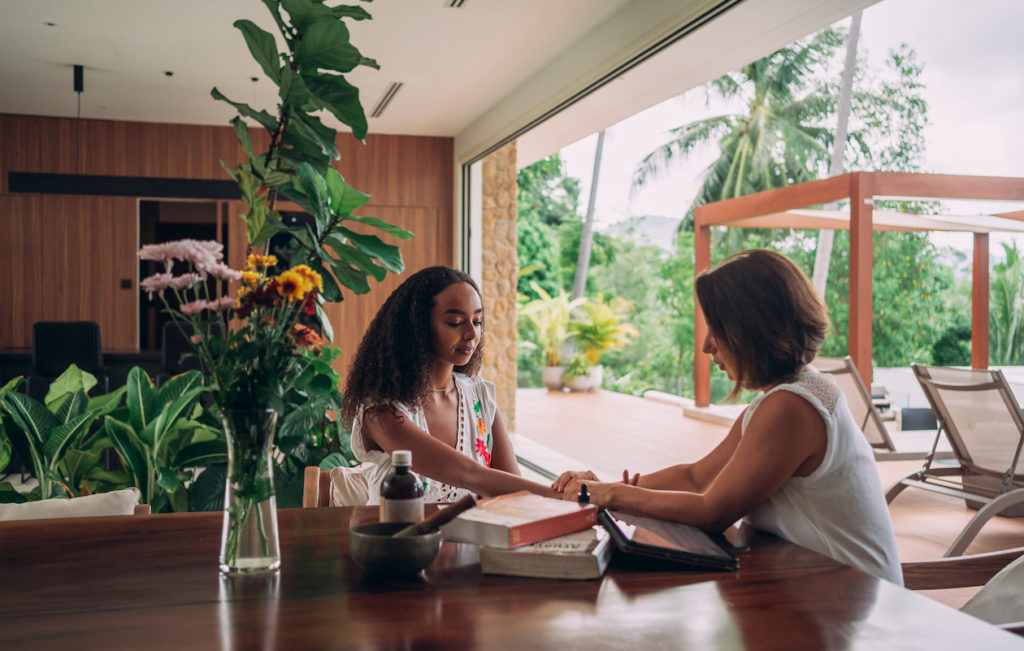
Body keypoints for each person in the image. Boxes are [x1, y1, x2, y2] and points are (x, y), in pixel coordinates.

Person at [553, 249, 903, 584]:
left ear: (753, 329)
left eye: (716, 330)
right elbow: (695, 477)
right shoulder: (789, 395)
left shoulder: (790, 408)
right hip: (819, 584)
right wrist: (604, 487)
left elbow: (712, 511)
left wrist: (608, 495)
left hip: (854, 604)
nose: (707, 346)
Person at [341, 265, 557, 503]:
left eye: (477, 321)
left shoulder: (479, 397)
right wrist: (574, 495)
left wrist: (569, 490)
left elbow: (515, 494)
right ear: (418, 328)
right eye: (455, 322)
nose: (472, 334)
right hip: (400, 539)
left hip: (474, 540)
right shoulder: (382, 411)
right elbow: (471, 474)